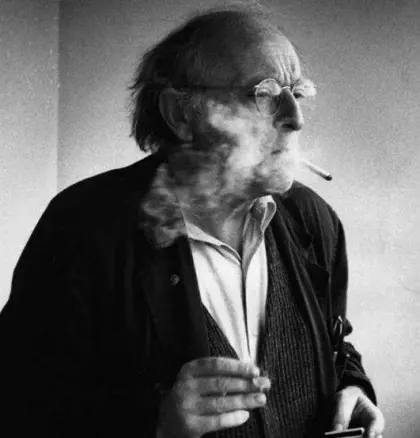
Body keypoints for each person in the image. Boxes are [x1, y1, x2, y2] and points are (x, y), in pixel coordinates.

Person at [0, 5, 385, 438]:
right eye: (264, 93)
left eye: (297, 92)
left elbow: (335, 344)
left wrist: (352, 387)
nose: (296, 118)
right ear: (182, 114)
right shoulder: (82, 229)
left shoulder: (312, 220)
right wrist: (153, 424)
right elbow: (19, 404)